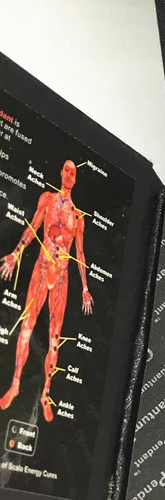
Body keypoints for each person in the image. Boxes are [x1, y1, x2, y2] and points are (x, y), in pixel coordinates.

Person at [0, 160, 93, 421]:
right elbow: (32, 227)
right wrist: (16, 253)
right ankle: (15, 385)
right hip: (42, 269)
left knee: (54, 338)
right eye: (66, 170)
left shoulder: (78, 217)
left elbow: (80, 253)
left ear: (75, 179)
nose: (69, 174)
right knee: (27, 326)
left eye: (73, 172)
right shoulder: (48, 199)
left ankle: (46, 395)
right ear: (61, 173)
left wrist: (85, 288)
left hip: (62, 276)